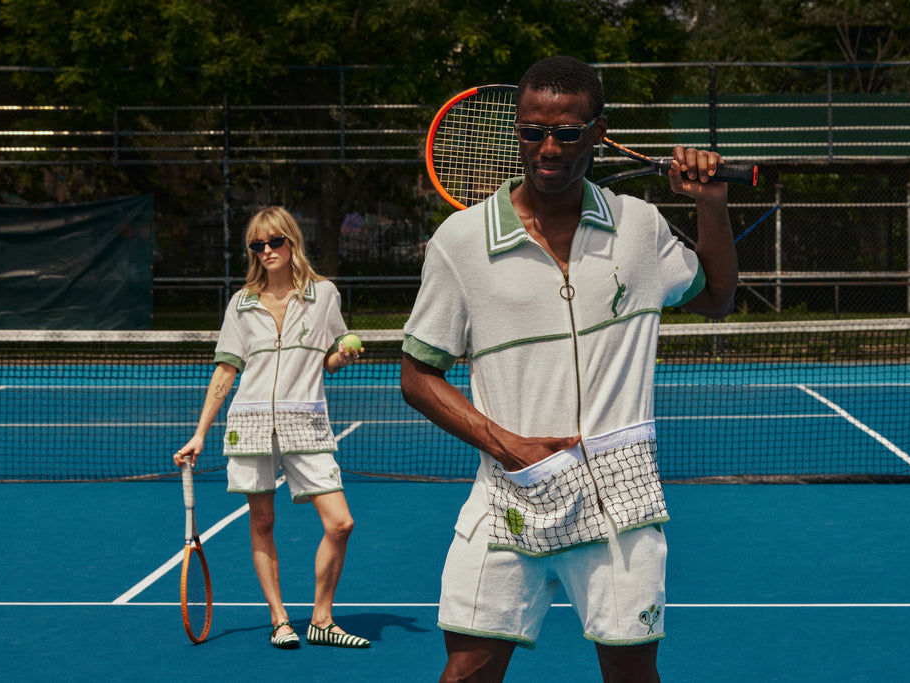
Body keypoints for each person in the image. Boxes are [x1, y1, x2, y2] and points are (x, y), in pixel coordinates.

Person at [400, 56, 738, 682]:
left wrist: (712, 205)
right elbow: (417, 375)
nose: (548, 147)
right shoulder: (460, 241)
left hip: (622, 498)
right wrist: (508, 445)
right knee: (467, 671)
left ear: (598, 131)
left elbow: (716, 298)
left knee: (632, 675)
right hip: (509, 492)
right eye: (532, 131)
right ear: (518, 132)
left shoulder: (639, 227)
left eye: (567, 132)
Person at [175, 206, 370, 650]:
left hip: (306, 422)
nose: (266, 251)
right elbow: (226, 370)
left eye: (274, 242)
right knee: (262, 520)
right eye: (257, 245)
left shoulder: (324, 295)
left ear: (292, 242)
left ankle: (322, 619)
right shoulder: (241, 304)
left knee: (340, 523)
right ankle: (280, 618)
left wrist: (343, 356)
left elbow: (331, 354)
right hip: (250, 423)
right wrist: (200, 432)